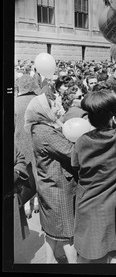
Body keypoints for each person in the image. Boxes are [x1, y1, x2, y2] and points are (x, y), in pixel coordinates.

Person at [71, 90, 116, 263]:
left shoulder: (82, 141)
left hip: (87, 206)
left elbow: (75, 166)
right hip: (114, 207)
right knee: (115, 254)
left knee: (87, 257)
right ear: (113, 115)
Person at [24, 91, 78, 263]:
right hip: (58, 188)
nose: (57, 106)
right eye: (53, 105)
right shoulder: (46, 132)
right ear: (43, 111)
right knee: (67, 233)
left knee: (51, 230)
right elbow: (71, 152)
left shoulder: (39, 127)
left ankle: (49, 262)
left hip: (49, 185)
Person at [14, 74, 40, 218]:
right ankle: (36, 201)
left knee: (24, 173)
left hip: (20, 143)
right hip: (37, 142)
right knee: (37, 171)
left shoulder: (15, 103)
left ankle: (25, 206)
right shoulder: (38, 101)